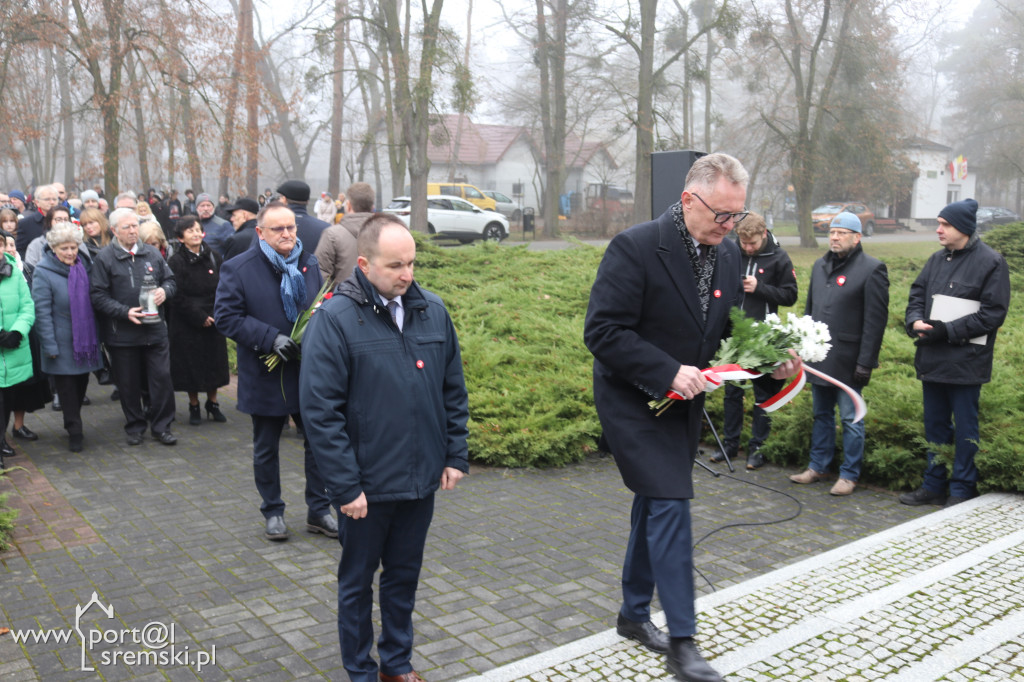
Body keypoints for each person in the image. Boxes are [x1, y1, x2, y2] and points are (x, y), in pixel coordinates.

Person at [584, 153, 801, 682]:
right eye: (721, 215)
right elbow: (603, 332)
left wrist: (772, 360)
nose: (729, 226)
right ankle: (684, 642)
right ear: (688, 200)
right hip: (634, 400)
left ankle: (633, 614)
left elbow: (725, 340)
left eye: (737, 215)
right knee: (671, 502)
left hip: (684, 405)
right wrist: (665, 371)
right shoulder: (635, 247)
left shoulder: (728, 257)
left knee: (653, 504)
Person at [300, 213, 469, 682]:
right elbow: (320, 412)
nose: (407, 274)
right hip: (365, 489)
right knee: (357, 583)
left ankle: (396, 666)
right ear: (363, 263)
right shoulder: (333, 319)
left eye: (412, 263)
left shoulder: (432, 311)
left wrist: (455, 454)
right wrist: (346, 486)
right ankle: (360, 671)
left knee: (403, 577)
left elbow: (452, 390)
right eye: (396, 265)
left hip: (420, 481)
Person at [214, 202, 335, 541]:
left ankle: (319, 509)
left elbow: (320, 308)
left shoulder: (309, 263)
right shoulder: (239, 268)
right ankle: (273, 511)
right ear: (260, 232)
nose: (286, 234)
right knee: (266, 447)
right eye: (278, 229)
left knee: (318, 444)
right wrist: (270, 338)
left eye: (291, 228)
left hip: (307, 372)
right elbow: (226, 317)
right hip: (265, 373)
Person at [900, 198, 1010, 508]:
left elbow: (993, 315)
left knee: (964, 428)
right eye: (938, 223)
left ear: (963, 227)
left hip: (966, 364)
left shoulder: (991, 262)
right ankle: (933, 484)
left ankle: (962, 488)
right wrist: (914, 321)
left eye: (945, 225)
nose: (938, 230)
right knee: (934, 425)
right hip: (932, 359)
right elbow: (916, 294)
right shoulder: (935, 260)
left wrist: (947, 331)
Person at [790, 212, 889, 496]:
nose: (834, 237)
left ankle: (849, 474)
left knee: (850, 418)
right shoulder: (820, 265)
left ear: (857, 237)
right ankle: (817, 466)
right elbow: (810, 311)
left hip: (849, 361)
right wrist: (803, 348)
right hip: (819, 358)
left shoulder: (872, 269)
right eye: (832, 232)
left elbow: (875, 322)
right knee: (821, 415)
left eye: (842, 233)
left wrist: (866, 362)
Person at [90, 208, 178, 446]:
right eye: (127, 227)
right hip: (123, 334)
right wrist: (124, 312)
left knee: (161, 380)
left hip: (155, 331)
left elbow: (170, 280)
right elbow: (97, 295)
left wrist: (165, 291)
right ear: (114, 230)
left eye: (135, 226)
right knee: (128, 384)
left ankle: (162, 427)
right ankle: (135, 427)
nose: (132, 231)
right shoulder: (105, 258)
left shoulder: (151, 253)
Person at [717, 212, 798, 469]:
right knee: (732, 392)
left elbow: (790, 295)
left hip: (763, 337)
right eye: (743, 242)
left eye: (752, 243)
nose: (748, 247)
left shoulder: (779, 257)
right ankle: (729, 445)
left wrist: (760, 287)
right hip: (734, 335)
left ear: (763, 234)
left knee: (763, 394)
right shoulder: (730, 252)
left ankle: (758, 449)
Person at [30, 222, 104, 452]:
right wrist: (49, 345)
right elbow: (41, 312)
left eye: (73, 247)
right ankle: (75, 430)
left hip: (85, 341)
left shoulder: (85, 267)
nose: (70, 252)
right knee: (68, 390)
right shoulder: (43, 271)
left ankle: (73, 421)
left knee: (81, 385)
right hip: (61, 342)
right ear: (54, 248)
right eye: (64, 248)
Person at [167, 216, 230, 425]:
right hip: (187, 321)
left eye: (197, 230)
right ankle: (194, 405)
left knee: (214, 363)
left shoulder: (214, 256)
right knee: (190, 365)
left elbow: (224, 287)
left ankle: (213, 404)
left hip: (214, 317)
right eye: (190, 231)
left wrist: (216, 314)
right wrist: (198, 316)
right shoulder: (176, 261)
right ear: (180, 237)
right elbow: (176, 295)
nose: (195, 233)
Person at [0, 230, 35, 469]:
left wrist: (17, 332)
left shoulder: (15, 274)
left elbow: (27, 306)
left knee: (6, 404)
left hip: (13, 351)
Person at [314, 182, 375, 284]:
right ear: (372, 207)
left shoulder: (331, 235)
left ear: (348, 205)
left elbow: (320, 275)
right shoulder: (387, 234)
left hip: (341, 297)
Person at [276, 180, 328, 252]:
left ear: (284, 200)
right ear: (307, 201)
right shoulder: (326, 229)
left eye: (280, 198)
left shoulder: (269, 227)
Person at [17, 184, 57, 256]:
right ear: (37, 202)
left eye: (54, 199)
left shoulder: (64, 220)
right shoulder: (25, 223)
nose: (52, 202)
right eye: (47, 199)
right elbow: (21, 251)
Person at [195, 193, 234, 257]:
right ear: (197, 208)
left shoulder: (223, 225)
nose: (206, 209)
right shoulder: (191, 224)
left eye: (208, 205)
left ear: (213, 207)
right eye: (202, 206)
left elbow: (232, 249)